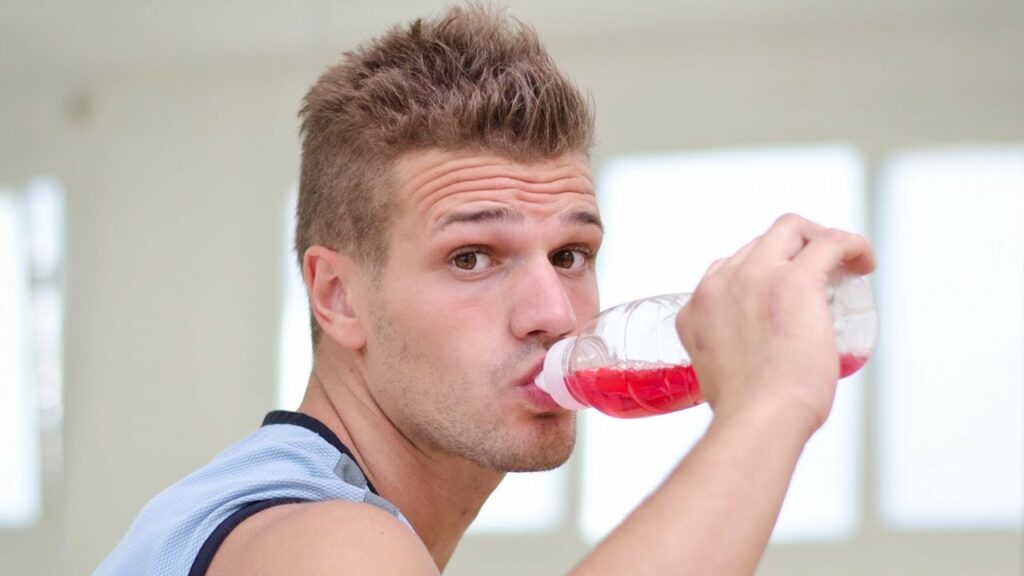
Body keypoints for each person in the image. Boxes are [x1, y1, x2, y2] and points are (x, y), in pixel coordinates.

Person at [96, 4, 874, 575]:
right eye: (472, 257)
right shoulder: (316, 539)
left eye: (571, 253)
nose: (554, 314)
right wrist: (768, 410)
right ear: (336, 296)